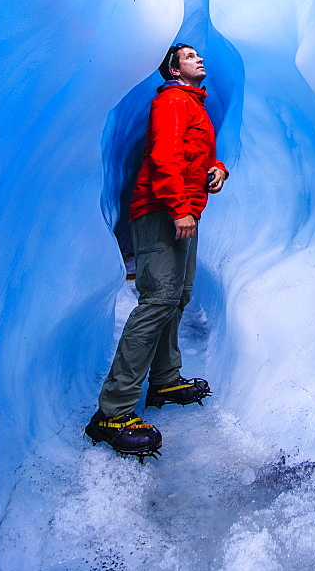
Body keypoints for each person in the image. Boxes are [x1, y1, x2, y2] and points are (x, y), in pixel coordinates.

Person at [85, 43, 228, 460]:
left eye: (199, 55)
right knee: (158, 299)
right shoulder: (171, 102)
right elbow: (164, 157)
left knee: (177, 297)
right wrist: (180, 209)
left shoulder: (193, 105)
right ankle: (112, 412)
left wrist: (217, 168)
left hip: (183, 210)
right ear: (172, 69)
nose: (199, 59)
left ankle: (164, 379)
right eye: (188, 56)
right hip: (163, 212)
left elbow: (195, 154)